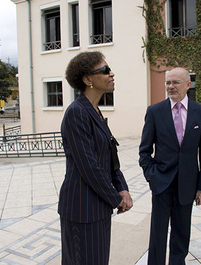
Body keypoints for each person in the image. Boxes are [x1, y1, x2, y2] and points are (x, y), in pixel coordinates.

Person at [58, 51, 133, 265]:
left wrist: (122, 188)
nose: (111, 74)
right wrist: (116, 198)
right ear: (88, 79)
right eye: (105, 70)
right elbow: (88, 166)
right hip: (81, 209)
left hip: (97, 206)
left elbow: (110, 157)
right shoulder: (77, 112)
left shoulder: (95, 111)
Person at [139, 67, 201, 265]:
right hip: (161, 183)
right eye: (168, 83)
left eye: (175, 83)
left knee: (181, 233)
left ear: (188, 85)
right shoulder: (154, 112)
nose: (170, 87)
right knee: (158, 234)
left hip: (188, 185)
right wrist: (151, 175)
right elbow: (144, 150)